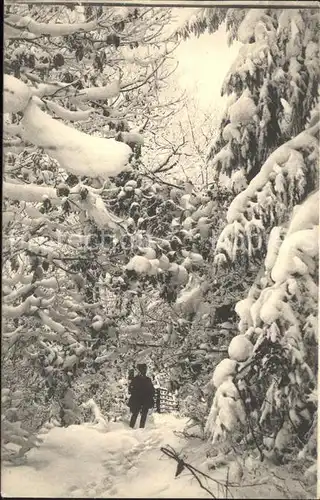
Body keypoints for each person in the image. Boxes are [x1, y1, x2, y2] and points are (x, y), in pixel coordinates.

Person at [128, 364, 155, 429]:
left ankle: (140, 429)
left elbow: (152, 390)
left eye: (144, 369)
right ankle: (131, 428)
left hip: (144, 400)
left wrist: (150, 397)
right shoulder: (136, 379)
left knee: (143, 415)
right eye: (143, 369)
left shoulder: (147, 380)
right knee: (135, 414)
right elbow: (130, 389)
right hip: (137, 399)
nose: (144, 371)